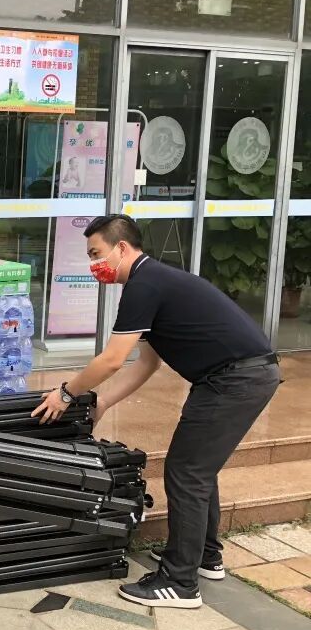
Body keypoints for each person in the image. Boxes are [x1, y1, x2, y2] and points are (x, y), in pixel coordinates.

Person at [33, 213, 280, 609]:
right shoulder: (152, 280)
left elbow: (112, 359)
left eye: (96, 253)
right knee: (197, 469)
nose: (93, 264)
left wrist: (65, 393)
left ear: (122, 248)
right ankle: (204, 557)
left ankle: (180, 583)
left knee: (187, 472)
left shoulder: (143, 285)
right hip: (239, 376)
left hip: (235, 379)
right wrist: (103, 403)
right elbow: (147, 363)